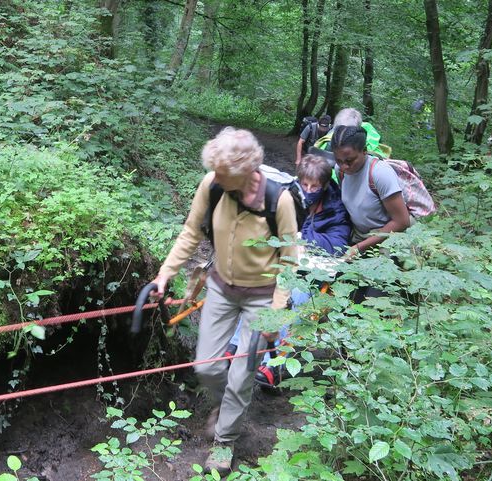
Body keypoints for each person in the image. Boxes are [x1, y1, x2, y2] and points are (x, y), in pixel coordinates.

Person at [151, 127, 298, 476]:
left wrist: (275, 317)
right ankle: (224, 406)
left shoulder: (280, 201)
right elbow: (191, 232)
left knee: (241, 374)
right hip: (220, 287)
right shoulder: (213, 185)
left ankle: (224, 441)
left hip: (262, 298)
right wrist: (164, 274)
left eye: (222, 172)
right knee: (207, 367)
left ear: (247, 171)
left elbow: (290, 264)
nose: (214, 177)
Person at [226, 154, 351, 387]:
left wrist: (303, 239)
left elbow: (338, 244)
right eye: (305, 184)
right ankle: (235, 346)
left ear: (325, 186)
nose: (309, 189)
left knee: (294, 299)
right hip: (285, 263)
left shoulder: (336, 209)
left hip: (314, 274)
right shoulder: (291, 197)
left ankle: (276, 363)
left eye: (315, 186)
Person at [331, 125, 411, 257]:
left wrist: (359, 247)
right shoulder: (340, 171)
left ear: (364, 151)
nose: (344, 166)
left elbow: (402, 221)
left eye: (349, 160)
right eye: (338, 160)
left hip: (388, 234)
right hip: (359, 233)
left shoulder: (380, 173)